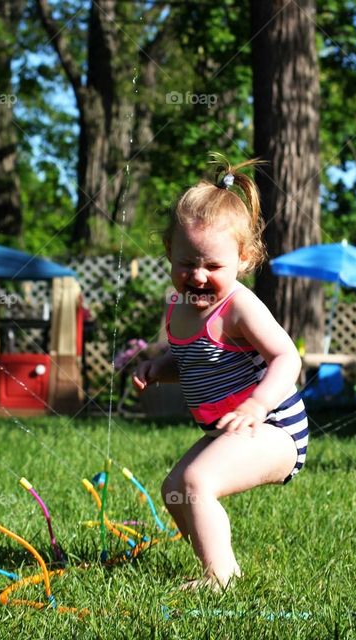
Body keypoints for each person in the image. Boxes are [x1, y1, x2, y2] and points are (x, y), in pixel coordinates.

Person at [133, 155, 308, 590]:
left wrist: (257, 404)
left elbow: (288, 357)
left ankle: (221, 576)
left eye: (213, 266)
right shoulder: (178, 308)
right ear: (168, 253)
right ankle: (213, 560)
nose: (197, 276)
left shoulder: (239, 307)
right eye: (186, 263)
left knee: (196, 481)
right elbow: (195, 362)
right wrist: (159, 368)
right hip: (225, 428)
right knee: (175, 489)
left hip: (274, 427)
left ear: (244, 260)